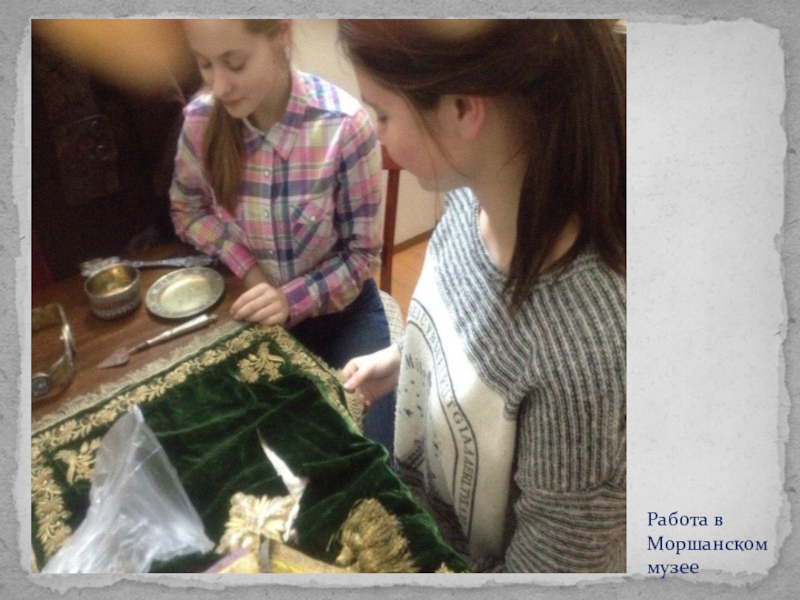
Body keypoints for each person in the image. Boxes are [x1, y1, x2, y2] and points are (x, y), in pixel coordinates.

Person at [339, 19, 626, 572]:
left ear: (462, 109)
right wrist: (406, 358)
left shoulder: (588, 358)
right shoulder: (471, 197)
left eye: (382, 114)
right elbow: (475, 336)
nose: (377, 135)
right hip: (420, 518)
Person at [169, 19, 395, 451]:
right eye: (205, 65)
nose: (219, 86)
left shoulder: (344, 126)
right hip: (252, 313)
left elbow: (362, 256)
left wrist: (290, 299)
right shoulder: (201, 121)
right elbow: (188, 209)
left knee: (370, 453)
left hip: (342, 315)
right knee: (232, 450)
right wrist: (249, 269)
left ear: (281, 34)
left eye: (235, 63)